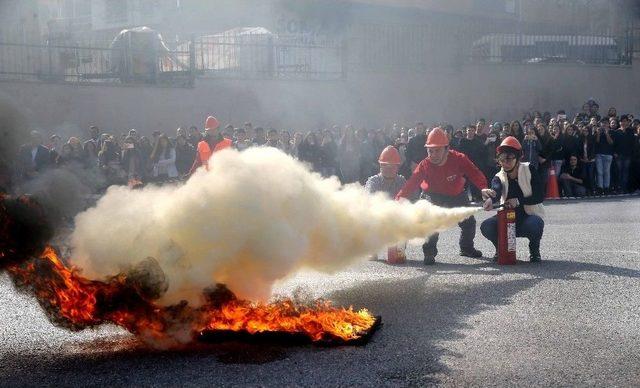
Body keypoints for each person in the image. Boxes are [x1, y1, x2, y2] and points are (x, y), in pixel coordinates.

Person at [395, 127, 489, 265]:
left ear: (447, 149)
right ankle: (429, 252)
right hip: (432, 194)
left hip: (456, 193)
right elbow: (412, 183)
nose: (433, 154)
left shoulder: (459, 158)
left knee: (468, 222)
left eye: (437, 150)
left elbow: (474, 173)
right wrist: (399, 198)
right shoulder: (425, 164)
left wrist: (483, 187)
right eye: (430, 151)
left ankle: (467, 248)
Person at [480, 136, 545, 262]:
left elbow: (539, 195)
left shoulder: (529, 169)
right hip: (506, 219)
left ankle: (534, 249)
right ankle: (500, 249)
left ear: (518, 157)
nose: (505, 162)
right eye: (501, 159)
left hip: (528, 217)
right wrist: (490, 200)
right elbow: (496, 191)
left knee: (536, 224)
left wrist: (518, 201)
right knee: (486, 226)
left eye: (509, 158)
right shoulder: (498, 176)